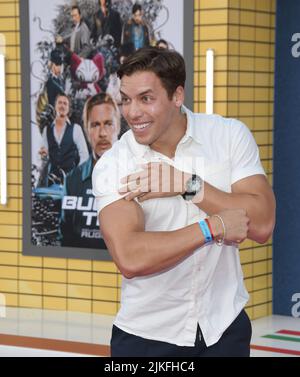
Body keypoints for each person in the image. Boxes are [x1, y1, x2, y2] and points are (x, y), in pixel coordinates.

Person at [92, 48, 276, 357]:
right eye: (125, 99)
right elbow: (130, 257)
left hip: (224, 329)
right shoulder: (115, 165)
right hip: (146, 339)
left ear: (177, 96)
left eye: (146, 99)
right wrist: (212, 226)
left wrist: (189, 186)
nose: (132, 112)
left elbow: (262, 223)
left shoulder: (228, 135)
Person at [61, 93, 120, 248]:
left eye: (108, 123)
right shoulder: (72, 180)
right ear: (87, 130)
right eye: (95, 125)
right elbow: (65, 236)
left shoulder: (135, 174)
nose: (102, 133)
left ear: (118, 126)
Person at [39, 94, 89, 185]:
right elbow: (43, 157)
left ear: (68, 108)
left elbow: (84, 155)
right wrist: (43, 156)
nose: (62, 105)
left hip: (70, 180)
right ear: (55, 106)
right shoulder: (47, 130)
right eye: (60, 103)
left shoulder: (76, 129)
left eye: (65, 103)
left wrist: (76, 174)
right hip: (51, 180)